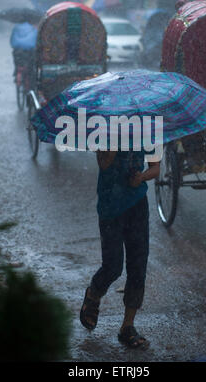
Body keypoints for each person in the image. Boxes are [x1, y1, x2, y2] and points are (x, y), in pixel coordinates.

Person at [80, 149, 160, 348]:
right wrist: (115, 142)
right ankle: (94, 293)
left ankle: (127, 326)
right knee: (113, 266)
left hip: (138, 205)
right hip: (110, 205)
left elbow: (156, 168)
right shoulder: (105, 130)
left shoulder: (147, 128)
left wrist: (141, 177)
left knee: (138, 265)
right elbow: (104, 164)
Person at [10, 22, 38, 87]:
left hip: (18, 51)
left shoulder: (16, 28)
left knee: (17, 60)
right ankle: (30, 75)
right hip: (29, 51)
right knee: (31, 63)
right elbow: (36, 41)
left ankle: (17, 71)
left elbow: (12, 42)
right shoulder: (33, 28)